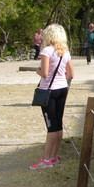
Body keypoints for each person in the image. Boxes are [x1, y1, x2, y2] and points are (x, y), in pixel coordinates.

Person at [30, 23, 74, 169]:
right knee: (58, 124)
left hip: (49, 90)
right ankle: (54, 156)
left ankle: (46, 159)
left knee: (51, 126)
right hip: (62, 88)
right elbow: (71, 74)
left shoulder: (47, 51)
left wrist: (37, 71)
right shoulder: (65, 52)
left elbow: (44, 73)